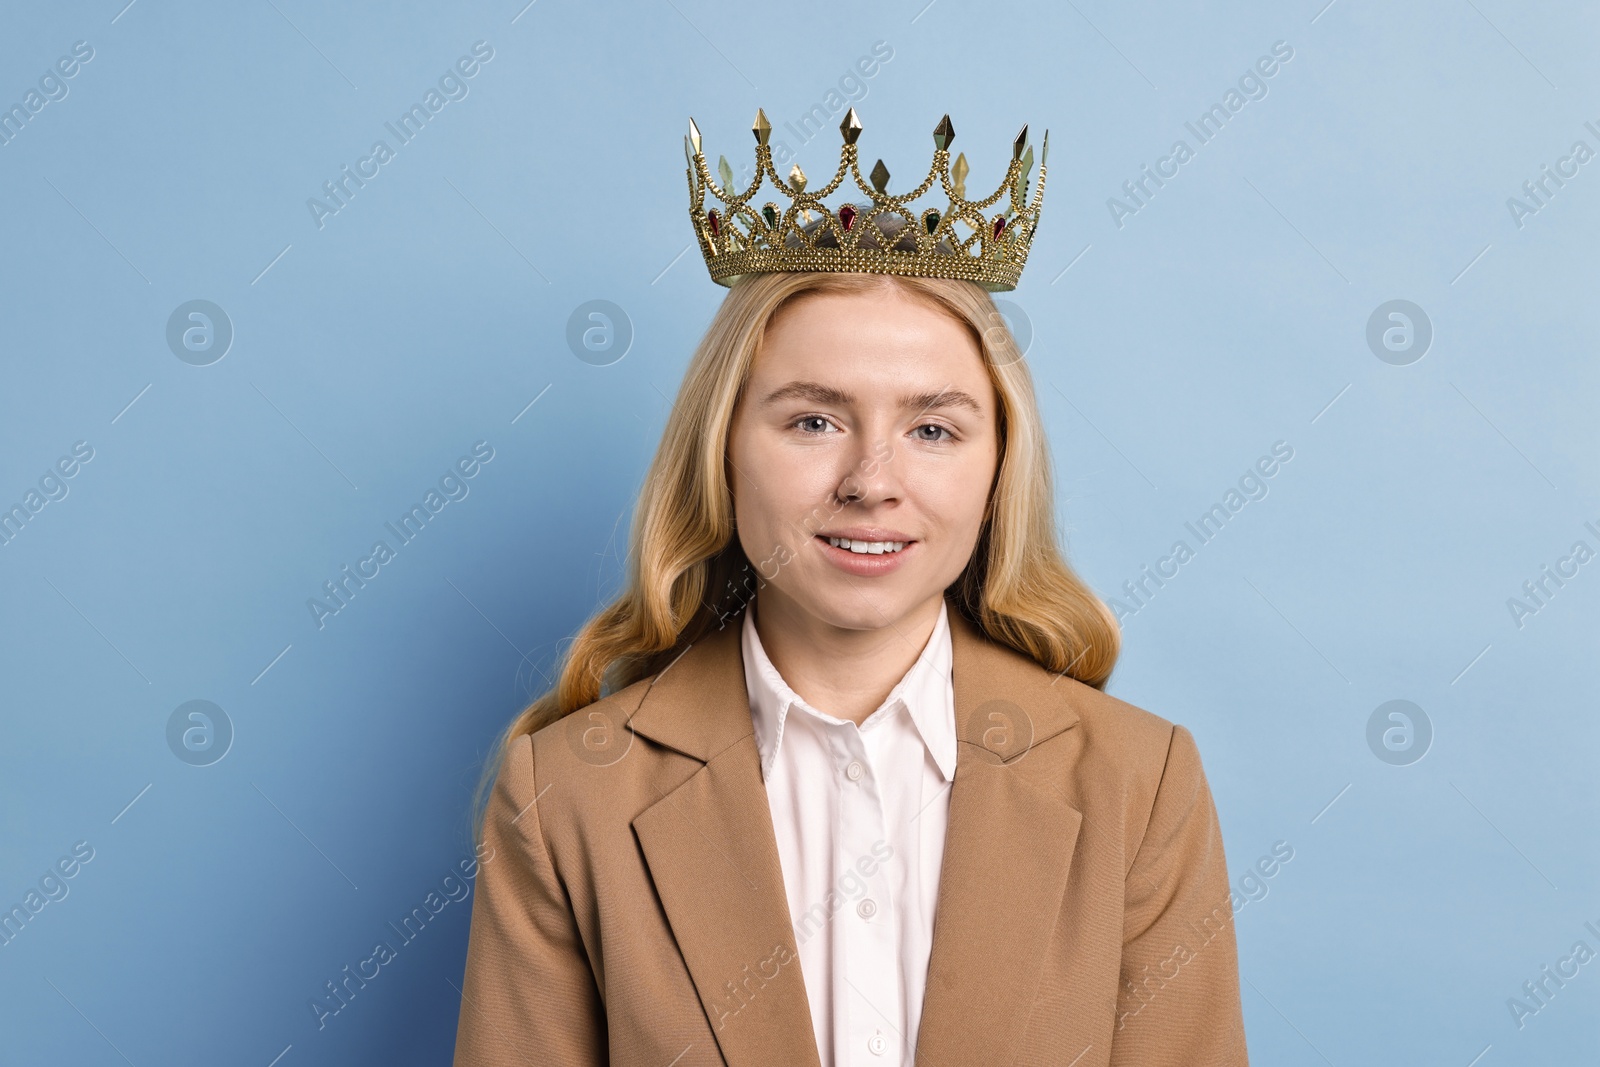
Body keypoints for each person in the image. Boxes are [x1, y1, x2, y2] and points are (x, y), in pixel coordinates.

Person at [452, 109, 1249, 1066]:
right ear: (724, 454)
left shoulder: (1138, 785)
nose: (872, 481)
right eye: (814, 422)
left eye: (934, 430)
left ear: (999, 469)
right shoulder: (568, 794)